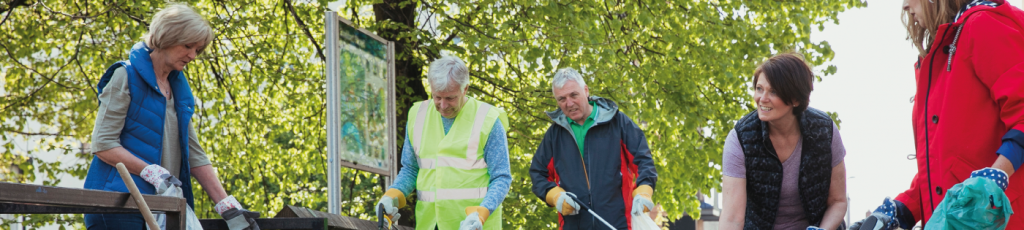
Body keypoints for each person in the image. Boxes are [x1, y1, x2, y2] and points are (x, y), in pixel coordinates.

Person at [849, 0, 1024, 229]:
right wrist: (901, 209)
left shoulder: (984, 25)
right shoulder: (939, 55)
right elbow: (944, 162)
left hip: (996, 219)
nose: (904, 6)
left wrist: (993, 179)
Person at [84, 3, 259, 230]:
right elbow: (103, 144)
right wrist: (150, 171)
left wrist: (226, 205)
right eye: (187, 46)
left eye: (198, 49)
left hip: (162, 207)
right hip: (118, 207)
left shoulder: (178, 90)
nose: (193, 56)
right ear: (166, 37)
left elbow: (194, 155)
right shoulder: (125, 76)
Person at [374, 56, 512, 230]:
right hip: (429, 224)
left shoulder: (488, 120)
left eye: (450, 98)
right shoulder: (418, 115)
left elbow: (501, 177)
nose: (443, 105)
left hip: (474, 225)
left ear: (465, 89)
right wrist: (391, 195)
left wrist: (482, 214)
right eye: (437, 97)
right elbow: (410, 168)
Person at [718, 53, 848, 230]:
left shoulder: (825, 131)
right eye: (759, 89)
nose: (762, 99)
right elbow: (732, 219)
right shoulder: (739, 139)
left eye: (773, 91)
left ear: (795, 98)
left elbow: (837, 201)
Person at [529, 67, 658, 229]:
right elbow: (538, 173)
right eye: (562, 99)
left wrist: (644, 191)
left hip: (619, 223)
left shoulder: (618, 122)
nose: (569, 103)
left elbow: (643, 161)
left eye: (574, 95)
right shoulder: (554, 135)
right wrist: (555, 196)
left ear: (586, 91)